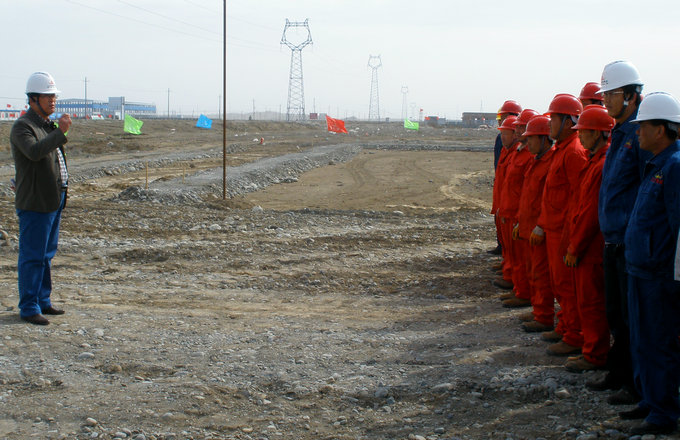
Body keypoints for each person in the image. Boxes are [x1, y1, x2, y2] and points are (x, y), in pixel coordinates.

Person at [589, 60, 650, 406]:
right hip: (612, 241)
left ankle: (634, 381)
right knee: (615, 311)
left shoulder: (641, 136)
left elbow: (645, 190)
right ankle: (619, 370)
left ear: (630, 95)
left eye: (610, 94)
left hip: (630, 243)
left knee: (632, 316)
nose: (605, 100)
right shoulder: (619, 133)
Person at [620, 92, 680, 436]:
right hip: (640, 269)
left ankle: (663, 412)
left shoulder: (674, 167)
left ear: (661, 130)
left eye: (643, 126)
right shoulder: (656, 164)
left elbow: (677, 225)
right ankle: (649, 398)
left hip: (659, 275)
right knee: (642, 339)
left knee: (659, 342)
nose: (638, 131)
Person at [10, 72, 72, 325]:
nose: (52, 101)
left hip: (52, 199)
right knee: (33, 256)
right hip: (35, 202)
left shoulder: (45, 125)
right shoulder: (23, 127)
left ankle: (42, 301)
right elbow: (35, 152)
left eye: (54, 96)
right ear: (33, 99)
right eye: (48, 97)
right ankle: (29, 307)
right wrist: (61, 132)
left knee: (46, 255)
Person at [532, 94, 587, 355]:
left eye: (554, 118)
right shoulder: (562, 150)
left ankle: (575, 336)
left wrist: (572, 238)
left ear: (569, 122)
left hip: (564, 232)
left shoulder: (574, 153)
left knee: (567, 286)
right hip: (553, 230)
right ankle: (565, 326)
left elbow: (579, 198)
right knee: (558, 284)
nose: (550, 123)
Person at [563, 105, 615, 372]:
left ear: (597, 133)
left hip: (591, 248)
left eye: (583, 131)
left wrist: (576, 246)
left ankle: (595, 354)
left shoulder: (601, 165)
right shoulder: (594, 161)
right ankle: (591, 348)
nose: (579, 135)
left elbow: (591, 212)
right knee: (587, 300)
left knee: (591, 302)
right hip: (588, 245)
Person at [517, 115, 556, 333]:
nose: (527, 142)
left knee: (541, 274)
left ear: (544, 139)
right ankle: (537, 309)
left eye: (531, 138)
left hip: (540, 229)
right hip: (529, 226)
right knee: (533, 271)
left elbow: (549, 200)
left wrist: (541, 226)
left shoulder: (550, 162)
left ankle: (544, 316)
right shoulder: (536, 160)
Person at [498, 109, 538, 308]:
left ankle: (525, 294)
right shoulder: (519, 151)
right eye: (518, 128)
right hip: (511, 211)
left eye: (522, 127)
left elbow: (529, 191)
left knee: (525, 259)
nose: (519, 131)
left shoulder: (530, 155)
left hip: (519, 215)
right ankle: (519, 288)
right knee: (516, 256)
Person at [489, 100, 522, 256]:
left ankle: (505, 252)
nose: (500, 120)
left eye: (501, 117)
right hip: (502, 186)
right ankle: (503, 250)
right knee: (500, 218)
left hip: (509, 194)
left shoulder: (517, 147)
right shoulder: (504, 142)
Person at [491, 115, 519, 291]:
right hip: (505, 206)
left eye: (505, 133)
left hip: (514, 212)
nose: (502, 137)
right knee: (509, 247)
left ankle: (520, 287)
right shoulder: (508, 151)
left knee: (518, 252)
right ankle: (509, 272)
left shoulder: (520, 154)